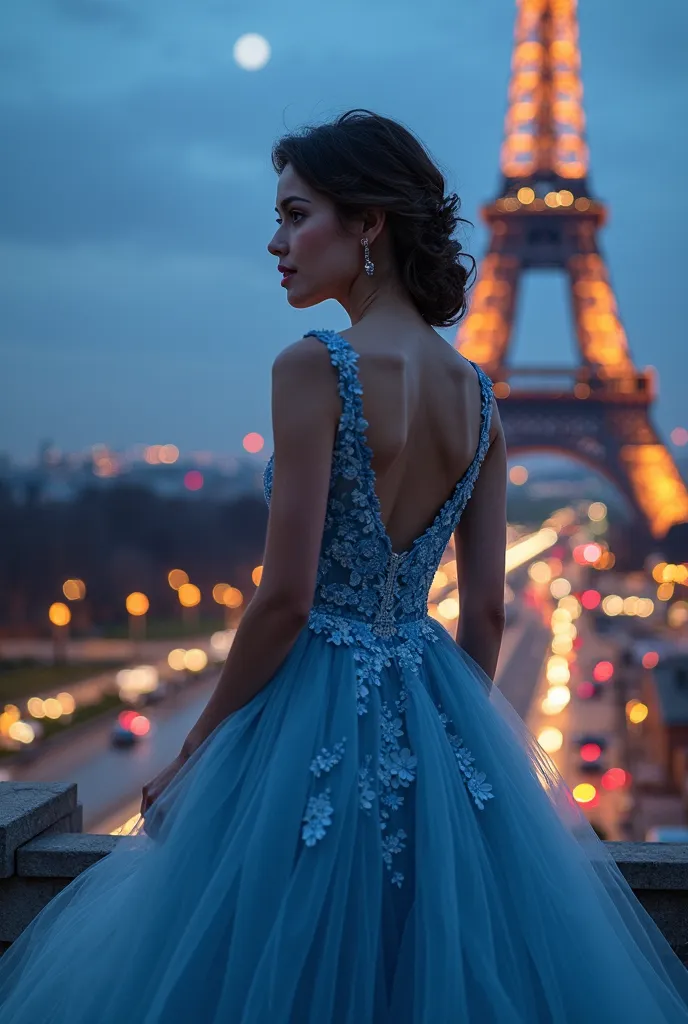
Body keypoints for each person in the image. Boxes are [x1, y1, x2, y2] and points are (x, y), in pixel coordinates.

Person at [1, 108, 687, 1023]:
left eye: (296, 214)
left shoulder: (314, 366)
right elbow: (484, 612)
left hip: (308, 711)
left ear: (369, 223)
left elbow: (284, 598)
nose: (276, 242)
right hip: (431, 699)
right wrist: (446, 748)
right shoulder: (480, 394)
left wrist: (197, 752)